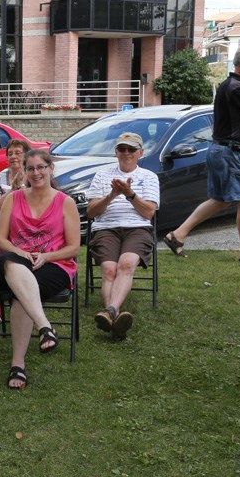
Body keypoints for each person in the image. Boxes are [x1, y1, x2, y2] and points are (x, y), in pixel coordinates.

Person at [163, 43, 240, 264]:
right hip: (232, 153)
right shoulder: (237, 88)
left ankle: (177, 235)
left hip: (225, 150)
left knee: (221, 199)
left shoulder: (229, 85)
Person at [0, 149, 80, 390]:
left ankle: (17, 364)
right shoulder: (13, 198)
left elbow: (73, 248)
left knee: (21, 295)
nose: (36, 173)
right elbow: (0, 240)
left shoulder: (65, 202)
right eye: (31, 168)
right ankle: (44, 326)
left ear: (51, 168)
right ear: (25, 172)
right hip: (13, 261)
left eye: (41, 167)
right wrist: (20, 253)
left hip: (53, 264)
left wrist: (47, 256)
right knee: (8, 262)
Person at [85, 132, 160, 340]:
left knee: (126, 264)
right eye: (122, 149)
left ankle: (109, 312)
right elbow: (91, 213)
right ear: (116, 152)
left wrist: (129, 194)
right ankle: (115, 318)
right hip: (105, 228)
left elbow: (148, 213)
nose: (127, 153)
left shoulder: (149, 177)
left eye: (131, 149)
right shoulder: (102, 175)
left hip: (138, 228)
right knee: (109, 270)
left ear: (140, 153)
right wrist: (112, 195)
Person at [0, 139, 30, 319]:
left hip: (26, 231)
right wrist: (12, 192)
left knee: (20, 254)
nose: (13, 156)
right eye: (10, 154)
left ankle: (12, 298)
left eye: (18, 152)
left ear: (26, 155)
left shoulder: (35, 175)